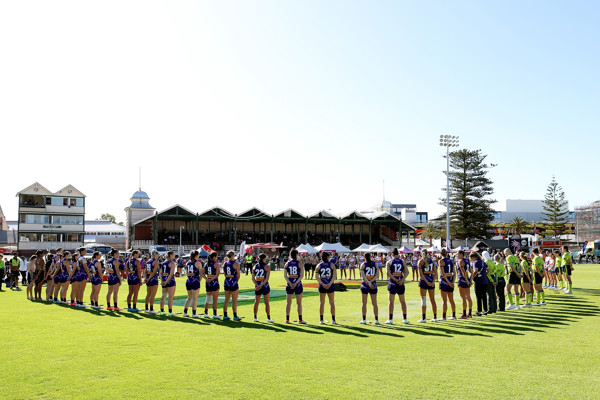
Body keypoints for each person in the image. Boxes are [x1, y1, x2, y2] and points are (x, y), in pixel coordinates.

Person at [385, 248, 409, 324]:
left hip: (392, 283)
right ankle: (405, 319)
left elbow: (388, 273)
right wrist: (402, 280)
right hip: (400, 283)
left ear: (392, 254)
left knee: (391, 302)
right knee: (403, 302)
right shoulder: (402, 261)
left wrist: (395, 280)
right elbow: (407, 272)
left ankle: (390, 319)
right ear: (397, 254)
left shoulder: (389, 262)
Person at [284, 249, 305, 324]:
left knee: (288, 302)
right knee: (299, 303)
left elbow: (285, 276)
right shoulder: (300, 264)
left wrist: (290, 282)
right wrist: (296, 283)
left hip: (289, 284)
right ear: (296, 255)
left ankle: (287, 319)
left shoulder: (287, 264)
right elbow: (302, 275)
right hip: (298, 284)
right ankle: (300, 319)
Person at [315, 252, 336, 325]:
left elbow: (317, 276)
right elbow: (334, 276)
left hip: (322, 285)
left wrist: (322, 284)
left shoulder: (319, 265)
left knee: (322, 303)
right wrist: (329, 283)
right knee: (332, 303)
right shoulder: (332, 265)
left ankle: (321, 320)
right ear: (327, 257)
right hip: (330, 285)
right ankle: (333, 320)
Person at [417, 250, 438, 323]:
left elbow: (421, 275)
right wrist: (432, 282)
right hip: (431, 281)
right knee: (432, 300)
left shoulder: (420, 261)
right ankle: (435, 317)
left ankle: (423, 318)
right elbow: (436, 273)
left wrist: (427, 282)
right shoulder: (432, 261)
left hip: (424, 282)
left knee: (423, 300)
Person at [252, 253, 273, 322]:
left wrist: (257, 285)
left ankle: (255, 317)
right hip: (265, 286)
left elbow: (253, 278)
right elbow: (266, 279)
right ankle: (268, 318)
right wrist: (261, 285)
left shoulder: (255, 266)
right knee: (266, 302)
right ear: (264, 258)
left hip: (257, 285)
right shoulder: (267, 266)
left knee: (256, 302)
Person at [359, 253, 379, 324]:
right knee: (374, 303)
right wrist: (371, 282)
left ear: (364, 257)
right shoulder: (375, 264)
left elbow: (363, 276)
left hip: (365, 284)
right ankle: (376, 320)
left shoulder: (363, 264)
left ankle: (364, 319)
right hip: (373, 284)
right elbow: (377, 275)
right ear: (370, 257)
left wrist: (368, 282)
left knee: (364, 303)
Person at [223, 250, 242, 321]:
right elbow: (238, 275)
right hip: (233, 282)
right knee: (234, 301)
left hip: (227, 281)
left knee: (226, 300)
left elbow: (225, 273)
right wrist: (235, 281)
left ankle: (225, 315)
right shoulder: (236, 264)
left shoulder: (225, 263)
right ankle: (235, 316)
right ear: (232, 256)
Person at [438, 248, 457, 321]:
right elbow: (454, 273)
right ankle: (454, 315)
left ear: (440, 254)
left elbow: (443, 273)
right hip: (450, 280)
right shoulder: (451, 261)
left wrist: (449, 282)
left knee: (444, 300)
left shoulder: (441, 261)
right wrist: (452, 282)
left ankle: (444, 317)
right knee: (451, 300)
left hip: (444, 282)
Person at [183, 251, 203, 318]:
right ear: (196, 255)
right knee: (195, 298)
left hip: (188, 280)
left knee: (189, 297)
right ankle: (194, 313)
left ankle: (185, 312)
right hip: (195, 281)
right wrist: (199, 281)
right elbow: (201, 274)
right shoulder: (198, 263)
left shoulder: (188, 262)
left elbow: (186, 273)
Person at [203, 252, 221, 319]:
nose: (217, 258)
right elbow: (217, 274)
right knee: (215, 299)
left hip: (208, 282)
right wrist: (212, 279)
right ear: (214, 257)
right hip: (214, 282)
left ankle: (206, 313)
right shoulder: (216, 264)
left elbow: (202, 273)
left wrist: (206, 278)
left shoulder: (206, 264)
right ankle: (215, 314)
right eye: (216, 257)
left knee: (208, 298)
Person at [470, 252, 489, 316]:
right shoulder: (483, 261)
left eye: (471, 258)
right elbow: (488, 269)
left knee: (478, 296)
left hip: (478, 281)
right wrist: (485, 275)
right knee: (484, 296)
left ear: (474, 257)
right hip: (485, 280)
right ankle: (485, 310)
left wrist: (472, 277)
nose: (471, 259)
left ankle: (479, 311)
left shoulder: (475, 262)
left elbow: (475, 271)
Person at [456, 250, 473, 318]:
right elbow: (471, 271)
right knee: (468, 297)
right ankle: (470, 313)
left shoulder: (460, 261)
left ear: (461, 254)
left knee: (463, 297)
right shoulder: (467, 261)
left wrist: (467, 281)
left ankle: (464, 314)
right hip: (467, 279)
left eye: (457, 254)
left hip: (462, 280)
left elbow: (463, 273)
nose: (457, 255)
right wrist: (470, 280)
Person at [160, 251, 177, 316]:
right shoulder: (172, 263)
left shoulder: (164, 263)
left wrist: (162, 281)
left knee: (163, 296)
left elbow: (161, 273)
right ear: (171, 255)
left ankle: (162, 311)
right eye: (173, 254)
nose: (174, 255)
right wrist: (166, 281)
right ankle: (170, 312)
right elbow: (171, 274)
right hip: (170, 281)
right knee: (170, 297)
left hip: (164, 281)